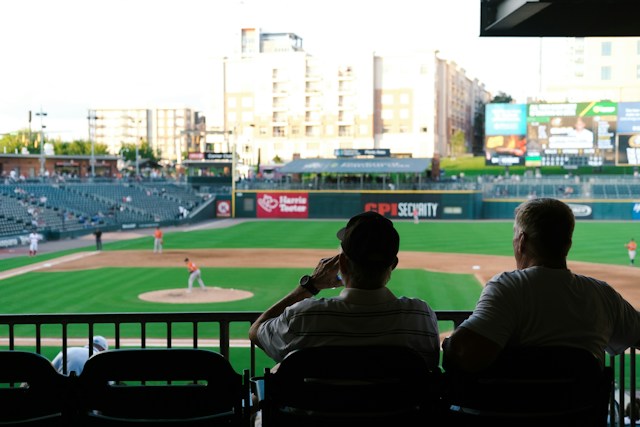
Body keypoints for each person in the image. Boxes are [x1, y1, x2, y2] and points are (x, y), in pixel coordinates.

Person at [443, 198, 640, 373]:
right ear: (568, 244)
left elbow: (460, 354)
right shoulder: (603, 294)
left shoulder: (508, 287)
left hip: (514, 412)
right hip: (580, 413)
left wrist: (448, 344)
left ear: (521, 241)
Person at [248, 211, 441, 368]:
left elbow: (256, 331)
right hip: (400, 416)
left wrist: (309, 286)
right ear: (394, 264)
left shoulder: (304, 316)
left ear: (341, 263)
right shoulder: (421, 317)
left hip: (318, 416)